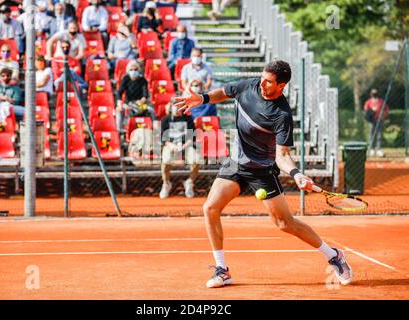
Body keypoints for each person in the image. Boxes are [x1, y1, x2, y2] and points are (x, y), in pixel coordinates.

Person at [174, 60, 353, 288]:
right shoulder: (249, 86)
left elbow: (282, 155)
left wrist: (296, 173)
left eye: (268, 81)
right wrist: (202, 98)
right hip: (236, 163)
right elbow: (225, 92)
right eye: (262, 77)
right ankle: (223, 270)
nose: (262, 83)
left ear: (281, 86)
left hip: (262, 170)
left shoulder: (281, 115)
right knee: (210, 208)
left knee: (285, 224)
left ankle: (333, 255)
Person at [160, 98, 200, 199]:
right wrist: (172, 146)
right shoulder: (166, 119)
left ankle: (189, 182)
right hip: (171, 145)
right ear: (171, 107)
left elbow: (192, 137)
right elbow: (164, 139)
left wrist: (184, 146)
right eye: (175, 106)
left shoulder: (188, 119)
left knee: (196, 160)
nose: (177, 109)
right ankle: (166, 184)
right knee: (166, 161)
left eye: (179, 106)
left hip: (186, 145)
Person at [116, 60, 156, 131]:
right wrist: (119, 103)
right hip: (128, 103)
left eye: (135, 69)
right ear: (128, 71)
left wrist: (142, 100)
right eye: (131, 70)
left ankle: (154, 128)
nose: (133, 71)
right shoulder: (126, 79)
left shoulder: (143, 80)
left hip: (140, 103)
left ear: (138, 70)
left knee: (151, 110)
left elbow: (145, 94)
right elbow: (119, 92)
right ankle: (119, 130)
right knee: (119, 110)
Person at [363, 88, 389, 157]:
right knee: (371, 134)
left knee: (379, 135)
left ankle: (378, 149)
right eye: (373, 93)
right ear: (371, 94)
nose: (374, 94)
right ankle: (371, 149)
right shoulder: (368, 102)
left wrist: (384, 115)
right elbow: (365, 110)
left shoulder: (381, 101)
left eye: (375, 93)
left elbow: (386, 109)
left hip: (379, 119)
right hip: (372, 120)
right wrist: (371, 111)